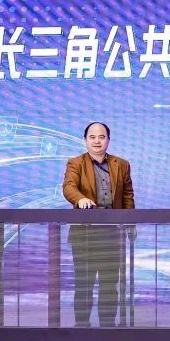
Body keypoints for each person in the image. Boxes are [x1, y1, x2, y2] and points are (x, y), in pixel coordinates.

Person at [62, 122, 135, 327]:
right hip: (84, 234)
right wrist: (80, 199)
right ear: (85, 140)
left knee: (109, 283)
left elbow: (128, 196)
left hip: (112, 233)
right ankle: (82, 326)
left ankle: (107, 326)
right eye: (92, 137)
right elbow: (68, 187)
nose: (97, 141)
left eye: (101, 137)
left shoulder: (122, 164)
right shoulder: (75, 163)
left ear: (108, 140)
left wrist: (131, 223)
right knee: (84, 283)